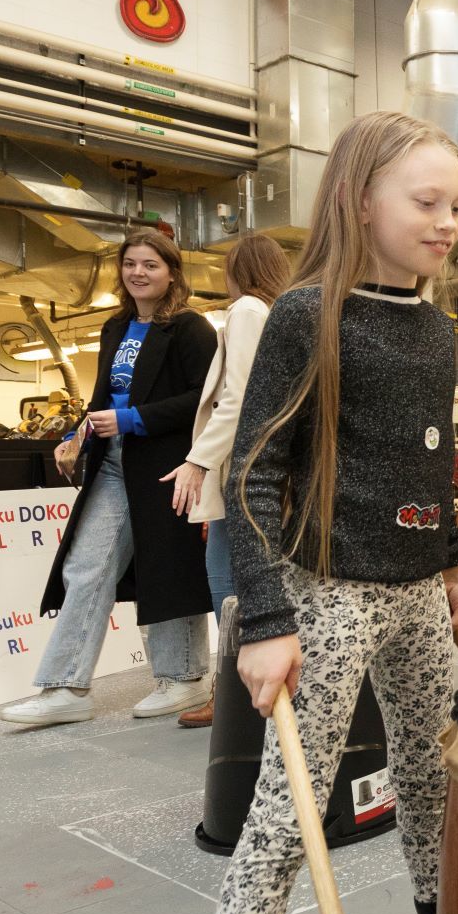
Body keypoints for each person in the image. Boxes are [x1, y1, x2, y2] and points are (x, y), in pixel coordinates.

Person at [176, 111, 458, 914]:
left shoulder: (435, 328)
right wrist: (261, 615)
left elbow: (427, 461)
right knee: (276, 835)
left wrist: (446, 555)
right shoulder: (308, 315)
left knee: (441, 783)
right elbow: (253, 472)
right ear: (361, 203)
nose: (447, 220)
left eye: (454, 203)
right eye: (425, 202)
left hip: (413, 597)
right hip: (329, 596)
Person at [1, 231, 216, 727]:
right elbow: (102, 394)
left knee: (168, 566)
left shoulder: (190, 329)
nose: (139, 273)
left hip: (169, 464)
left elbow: (204, 400)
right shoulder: (116, 326)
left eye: (152, 265)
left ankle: (184, 677)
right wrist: (77, 434)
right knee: (86, 566)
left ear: (172, 273)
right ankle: (65, 688)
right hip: (113, 461)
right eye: (130, 264)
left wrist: (133, 420)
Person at [165, 231, 292, 728]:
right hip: (264, 465)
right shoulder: (278, 312)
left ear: (238, 270)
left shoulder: (245, 312)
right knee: (247, 574)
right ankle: (246, 689)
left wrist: (198, 460)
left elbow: (237, 397)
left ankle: (236, 695)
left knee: (225, 580)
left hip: (240, 467)